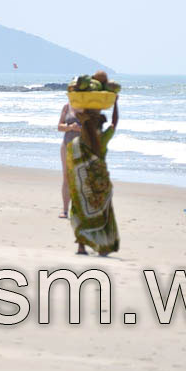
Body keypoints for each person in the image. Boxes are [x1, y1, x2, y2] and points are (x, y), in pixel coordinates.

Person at [63, 81, 120, 256]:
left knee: (80, 210)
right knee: (102, 213)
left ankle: (81, 246)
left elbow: (79, 115)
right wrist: (115, 103)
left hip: (82, 183)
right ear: (100, 126)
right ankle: (102, 246)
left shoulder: (78, 141)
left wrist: (82, 105)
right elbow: (114, 123)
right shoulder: (104, 137)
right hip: (100, 183)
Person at [57, 102, 82, 218]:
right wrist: (70, 127)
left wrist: (81, 129)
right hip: (66, 145)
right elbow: (59, 127)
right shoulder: (67, 107)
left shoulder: (89, 107)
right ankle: (65, 210)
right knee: (66, 177)